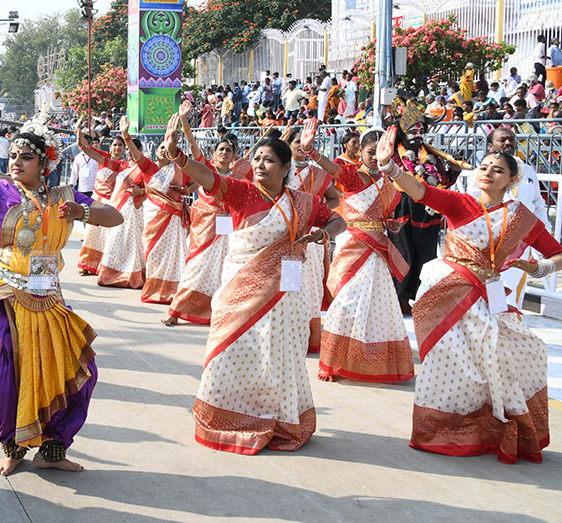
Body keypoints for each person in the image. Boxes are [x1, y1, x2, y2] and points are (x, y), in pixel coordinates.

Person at [0, 104, 123, 475]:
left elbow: (114, 216)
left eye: (26, 157)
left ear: (44, 164)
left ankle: (52, 450)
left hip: (46, 296)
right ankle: (12, 445)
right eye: (14, 155)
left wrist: (80, 213)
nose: (16, 161)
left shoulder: (63, 197)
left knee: (74, 371)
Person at [376, 126, 561, 464]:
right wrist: (389, 167)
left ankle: (493, 428)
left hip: (491, 297)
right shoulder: (461, 203)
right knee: (453, 364)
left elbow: (556, 252)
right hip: (451, 291)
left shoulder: (521, 217)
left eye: (498, 170)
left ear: (511, 180)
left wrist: (537, 269)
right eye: (485, 167)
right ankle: (445, 431)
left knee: (507, 359)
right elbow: (419, 190)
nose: (488, 172)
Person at [165, 113, 345, 455]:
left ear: (286, 167)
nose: (260, 164)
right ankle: (227, 417)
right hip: (240, 288)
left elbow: (338, 220)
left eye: (269, 160)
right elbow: (207, 176)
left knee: (277, 357)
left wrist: (323, 234)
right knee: (231, 351)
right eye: (257, 158)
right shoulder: (243, 192)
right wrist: (178, 156)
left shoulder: (303, 202)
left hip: (286, 296)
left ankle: (275, 418)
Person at [319, 130, 414, 383]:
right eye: (370, 152)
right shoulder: (354, 177)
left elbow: (386, 217)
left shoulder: (388, 183)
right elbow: (331, 168)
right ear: (359, 151)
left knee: (377, 303)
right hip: (353, 244)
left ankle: (372, 362)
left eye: (380, 153)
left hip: (378, 248)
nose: (374, 158)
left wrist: (391, 225)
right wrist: (311, 151)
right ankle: (332, 363)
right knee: (345, 300)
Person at [461, 127, 549, 310]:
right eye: (503, 140)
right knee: (494, 296)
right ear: (491, 146)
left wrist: (542, 230)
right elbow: (474, 206)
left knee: (515, 293)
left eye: (511, 139)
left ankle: (509, 329)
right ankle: (493, 331)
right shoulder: (482, 173)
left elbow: (538, 204)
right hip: (494, 245)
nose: (508, 143)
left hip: (523, 243)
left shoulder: (529, 172)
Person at [165, 132, 242, 325]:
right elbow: (192, 147)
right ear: (214, 154)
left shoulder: (238, 179)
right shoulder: (207, 171)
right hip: (204, 231)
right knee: (195, 269)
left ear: (234, 155)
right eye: (221, 149)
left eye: (229, 150)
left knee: (225, 271)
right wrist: (184, 124)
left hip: (229, 232)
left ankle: (219, 313)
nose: (225, 152)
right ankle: (176, 311)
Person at [282, 125, 341, 352]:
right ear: (289, 145)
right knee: (287, 284)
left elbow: (334, 199)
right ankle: (286, 334)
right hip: (285, 235)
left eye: (305, 142)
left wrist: (317, 211)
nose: (300, 145)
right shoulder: (281, 170)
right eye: (296, 141)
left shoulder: (319, 174)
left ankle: (307, 338)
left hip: (312, 236)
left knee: (310, 285)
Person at [78, 125, 147, 288]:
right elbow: (93, 153)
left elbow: (156, 188)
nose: (129, 152)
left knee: (133, 245)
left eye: (130, 148)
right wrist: (81, 142)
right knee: (113, 242)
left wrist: (141, 191)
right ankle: (108, 272)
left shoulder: (147, 168)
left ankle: (133, 275)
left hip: (135, 212)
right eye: (127, 149)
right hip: (116, 208)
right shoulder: (121, 166)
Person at [140, 117, 192, 304]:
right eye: (160, 147)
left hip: (173, 217)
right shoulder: (150, 168)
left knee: (172, 254)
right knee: (153, 252)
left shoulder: (180, 169)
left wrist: (186, 190)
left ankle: (172, 290)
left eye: (166, 147)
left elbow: (197, 182)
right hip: (153, 215)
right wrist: (126, 137)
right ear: (156, 151)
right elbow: (136, 156)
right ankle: (153, 288)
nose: (164, 150)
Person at [76, 133, 129, 275]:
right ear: (110, 147)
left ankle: (102, 266)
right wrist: (79, 132)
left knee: (107, 237)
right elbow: (86, 148)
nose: (117, 147)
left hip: (112, 204)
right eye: (115, 145)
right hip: (97, 200)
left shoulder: (125, 165)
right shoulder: (103, 158)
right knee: (91, 234)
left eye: (120, 145)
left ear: (124, 148)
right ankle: (86, 263)